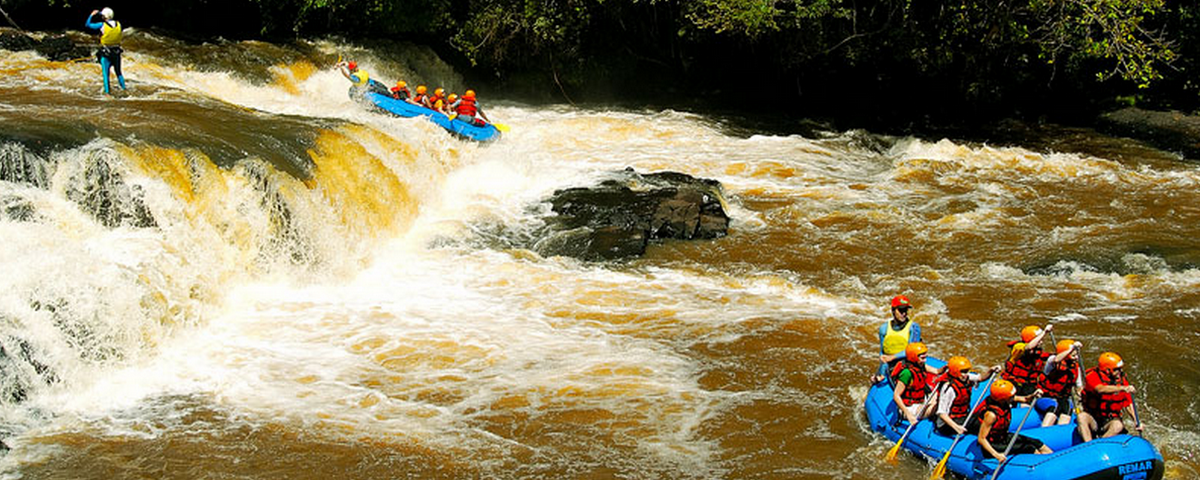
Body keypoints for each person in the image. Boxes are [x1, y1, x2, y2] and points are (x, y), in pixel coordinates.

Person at [967, 379, 1053, 464]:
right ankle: (1043, 466)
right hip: (993, 445)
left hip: (1003, 437)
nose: (1014, 398)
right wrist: (996, 455)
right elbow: (981, 439)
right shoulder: (991, 415)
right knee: (1029, 448)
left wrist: (1033, 395)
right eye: (1011, 397)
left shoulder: (1003, 400)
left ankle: (1052, 461)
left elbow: (1025, 399)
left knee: (1037, 442)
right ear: (1002, 399)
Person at [1077, 352, 1141, 441]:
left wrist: (1136, 421)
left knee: (1118, 425)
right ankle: (1088, 445)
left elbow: (1128, 404)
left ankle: (1100, 444)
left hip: (1109, 421)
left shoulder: (1121, 380)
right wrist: (1122, 388)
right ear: (1107, 370)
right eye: (1116, 369)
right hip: (1093, 419)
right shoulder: (1092, 376)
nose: (1120, 372)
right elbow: (1100, 389)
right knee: (1082, 416)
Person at [934, 356, 1000, 436]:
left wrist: (990, 371)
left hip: (962, 415)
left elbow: (980, 378)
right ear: (955, 372)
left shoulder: (965, 377)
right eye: (963, 372)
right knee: (980, 424)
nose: (966, 374)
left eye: (967, 371)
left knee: (986, 414)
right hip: (947, 424)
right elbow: (942, 413)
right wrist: (956, 427)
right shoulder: (948, 388)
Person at [870, 295, 921, 384]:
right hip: (891, 365)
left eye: (905, 310)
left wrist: (892, 357)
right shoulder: (884, 328)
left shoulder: (913, 328)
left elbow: (912, 351)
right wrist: (881, 373)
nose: (904, 313)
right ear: (893, 311)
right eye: (901, 310)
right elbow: (883, 353)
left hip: (907, 364)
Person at [890, 342, 945, 425]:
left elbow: (937, 371)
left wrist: (947, 368)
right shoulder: (906, 373)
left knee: (942, 398)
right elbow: (896, 396)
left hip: (920, 399)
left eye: (925, 357)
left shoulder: (920, 365)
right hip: (909, 407)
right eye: (922, 358)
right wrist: (908, 414)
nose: (925, 360)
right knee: (938, 407)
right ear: (914, 358)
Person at [1001, 324, 1053, 401]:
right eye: (1039, 339)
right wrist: (1045, 332)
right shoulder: (1018, 346)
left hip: (1029, 384)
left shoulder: (1038, 352)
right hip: (1013, 382)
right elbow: (1028, 347)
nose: (1041, 342)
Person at [1039, 339, 1083, 426]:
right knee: (1054, 407)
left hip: (1062, 398)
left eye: (1077, 355)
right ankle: (1043, 430)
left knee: (1068, 408)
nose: (1077, 358)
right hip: (1045, 397)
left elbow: (1079, 387)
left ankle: (1059, 432)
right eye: (1073, 355)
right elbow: (1056, 359)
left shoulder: (1075, 367)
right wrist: (1072, 348)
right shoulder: (1052, 361)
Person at [84, 7, 125, 95]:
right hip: (116, 52)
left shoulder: (101, 25)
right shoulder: (119, 24)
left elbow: (87, 24)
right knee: (118, 73)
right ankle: (124, 89)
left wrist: (91, 15)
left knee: (106, 75)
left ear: (104, 16)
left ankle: (107, 93)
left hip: (106, 53)